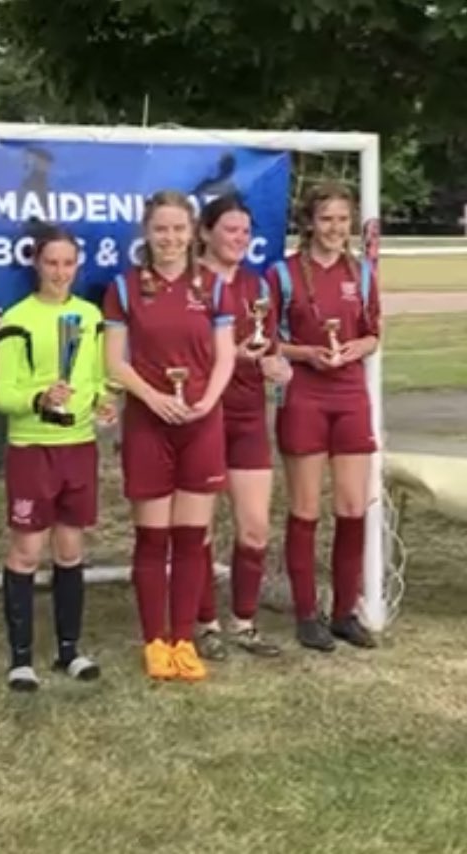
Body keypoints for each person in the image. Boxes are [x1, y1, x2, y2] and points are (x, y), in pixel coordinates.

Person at [103, 190, 237, 682]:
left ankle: (183, 639)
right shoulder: (124, 288)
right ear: (147, 231)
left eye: (179, 228)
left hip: (201, 423)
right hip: (148, 424)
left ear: (193, 232)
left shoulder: (214, 287)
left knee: (190, 537)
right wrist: (152, 397)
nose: (170, 238)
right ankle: (154, 641)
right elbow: (113, 361)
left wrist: (208, 400)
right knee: (152, 536)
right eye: (161, 229)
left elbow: (225, 355)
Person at [0, 225, 115, 691]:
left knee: (70, 550)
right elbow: (0, 393)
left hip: (78, 447)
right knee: (26, 551)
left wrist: (103, 401)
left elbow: (98, 378)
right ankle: (20, 659)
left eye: (67, 263)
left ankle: (69, 650)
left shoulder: (90, 316)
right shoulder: (16, 319)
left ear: (77, 266)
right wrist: (39, 398)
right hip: (32, 448)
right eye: (51, 263)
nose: (60, 272)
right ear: (36, 264)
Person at [268, 181, 381, 652]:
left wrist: (357, 347)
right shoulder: (283, 273)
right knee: (306, 507)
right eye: (326, 219)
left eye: (342, 219)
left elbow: (374, 333)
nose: (335, 228)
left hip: (350, 394)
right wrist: (307, 353)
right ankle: (306, 613)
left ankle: (344, 613)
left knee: (353, 507)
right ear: (309, 223)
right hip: (304, 396)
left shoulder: (364, 272)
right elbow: (268, 341)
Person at [192, 195, 291, 661]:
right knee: (200, 527)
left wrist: (274, 364)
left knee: (255, 528)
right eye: (230, 230)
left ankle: (245, 622)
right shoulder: (191, 284)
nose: (239, 239)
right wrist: (230, 357)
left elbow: (268, 346)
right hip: (203, 415)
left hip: (248, 416)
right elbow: (181, 352)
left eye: (245, 231)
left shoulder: (257, 285)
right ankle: (205, 623)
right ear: (205, 232)